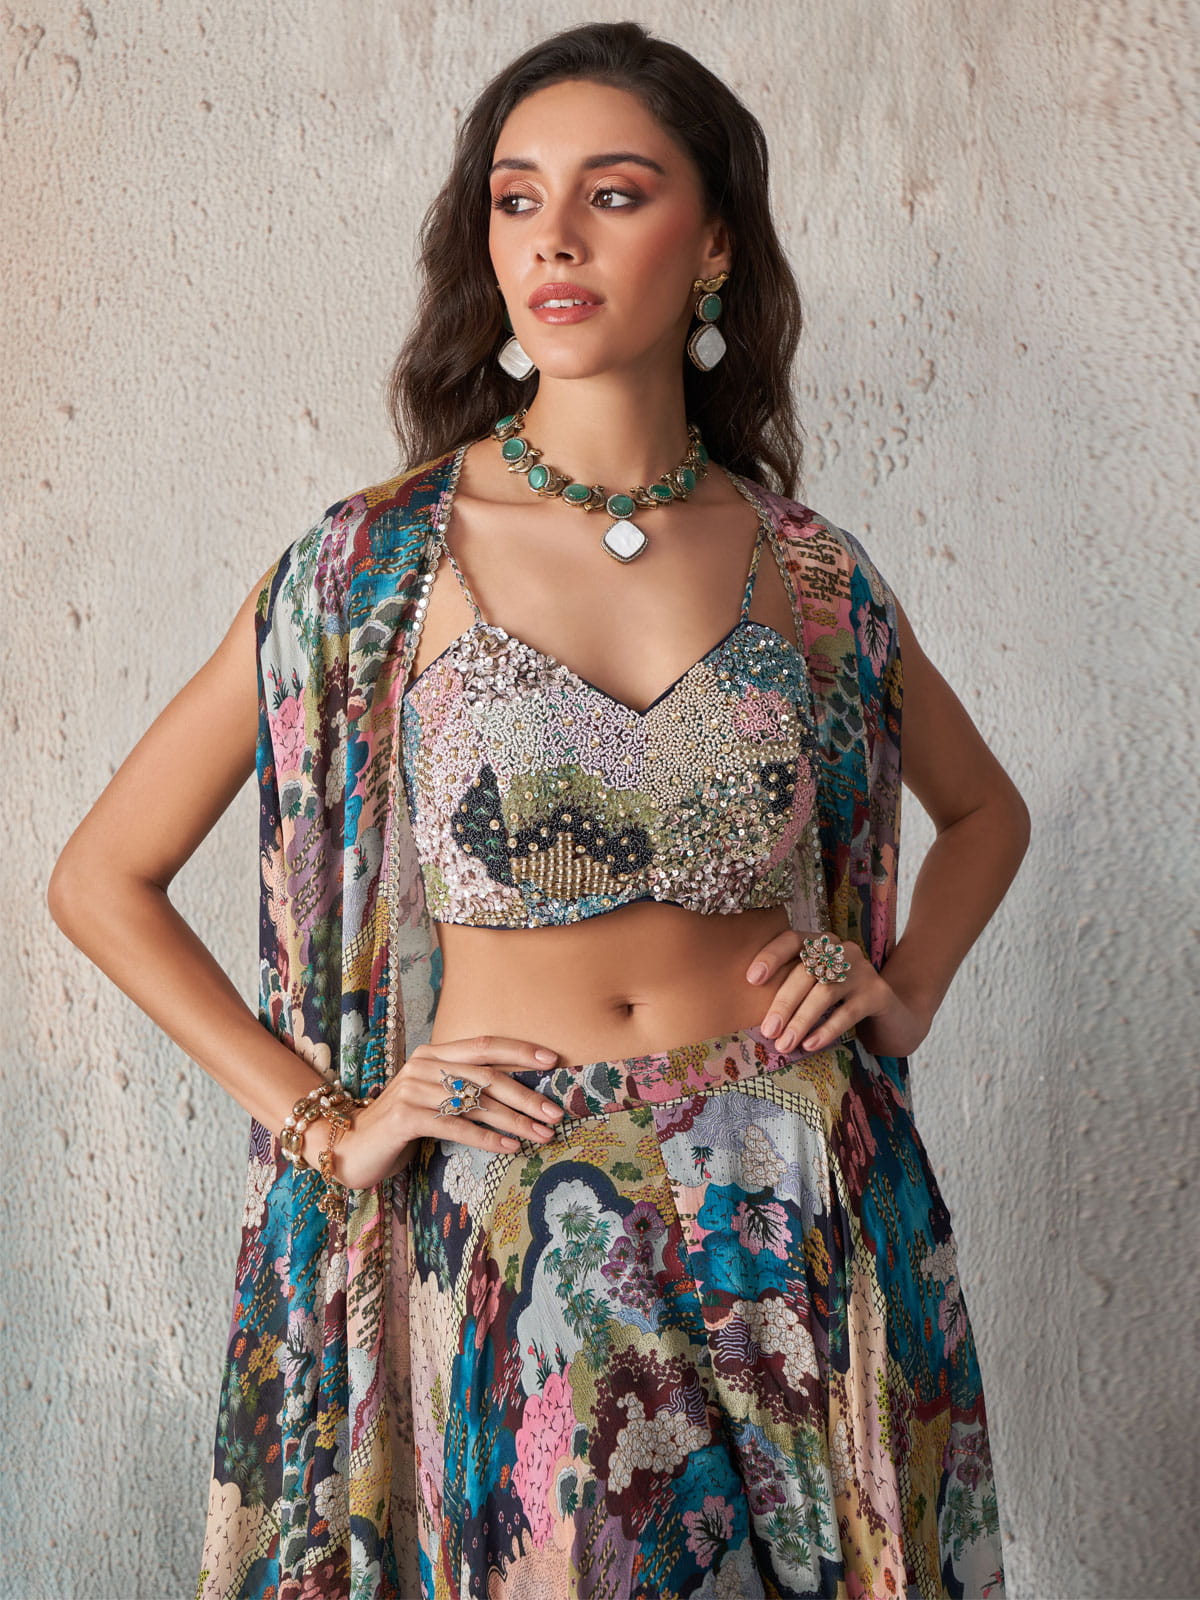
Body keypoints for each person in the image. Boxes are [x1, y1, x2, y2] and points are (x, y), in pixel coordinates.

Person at [48, 21, 1028, 1600]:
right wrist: (330, 1123)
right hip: (523, 1219)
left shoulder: (811, 570)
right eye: (516, 199)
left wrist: (899, 990)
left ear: (715, 245)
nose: (553, 238)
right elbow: (103, 877)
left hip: (795, 1190)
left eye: (613, 194)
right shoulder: (376, 565)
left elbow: (985, 815)